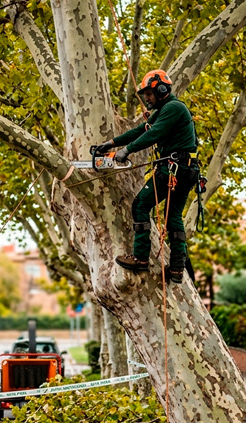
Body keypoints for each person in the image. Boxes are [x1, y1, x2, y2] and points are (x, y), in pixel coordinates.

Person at [100, 69, 199, 283]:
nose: (146, 98)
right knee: (173, 219)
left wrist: (127, 151)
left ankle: (141, 258)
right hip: (186, 170)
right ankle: (176, 269)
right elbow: (140, 130)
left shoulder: (173, 108)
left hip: (174, 169)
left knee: (140, 205)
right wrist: (112, 143)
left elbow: (153, 134)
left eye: (148, 93)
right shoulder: (165, 110)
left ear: (161, 89)